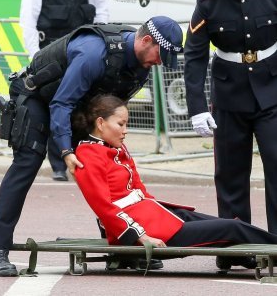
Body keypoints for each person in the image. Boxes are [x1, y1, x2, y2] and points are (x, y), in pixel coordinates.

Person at [0, 16, 183, 276]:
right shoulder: (93, 54)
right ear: (146, 41)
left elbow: (110, 109)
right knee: (27, 163)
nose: (159, 62)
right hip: (39, 99)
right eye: (160, 54)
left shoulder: (141, 65)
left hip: (79, 107)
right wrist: (66, 151)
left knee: (107, 167)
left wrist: (110, 144)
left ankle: (124, 245)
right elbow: (60, 103)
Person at [73, 94, 277, 271]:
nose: (126, 130)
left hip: (153, 216)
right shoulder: (88, 154)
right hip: (141, 232)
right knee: (231, 227)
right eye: (121, 124)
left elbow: (139, 189)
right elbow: (103, 208)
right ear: (100, 123)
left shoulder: (115, 147)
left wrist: (162, 212)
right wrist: (141, 237)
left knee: (233, 224)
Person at [184, 0, 277, 234]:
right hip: (228, 94)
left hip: (272, 88)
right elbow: (195, 55)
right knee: (229, 172)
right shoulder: (208, 3)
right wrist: (197, 108)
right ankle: (236, 244)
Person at [20, 0, 109, 181]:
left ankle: (82, 159)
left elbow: (101, 12)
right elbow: (28, 20)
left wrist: (101, 44)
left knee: (83, 107)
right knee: (56, 104)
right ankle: (59, 164)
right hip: (51, 54)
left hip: (83, 52)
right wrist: (37, 57)